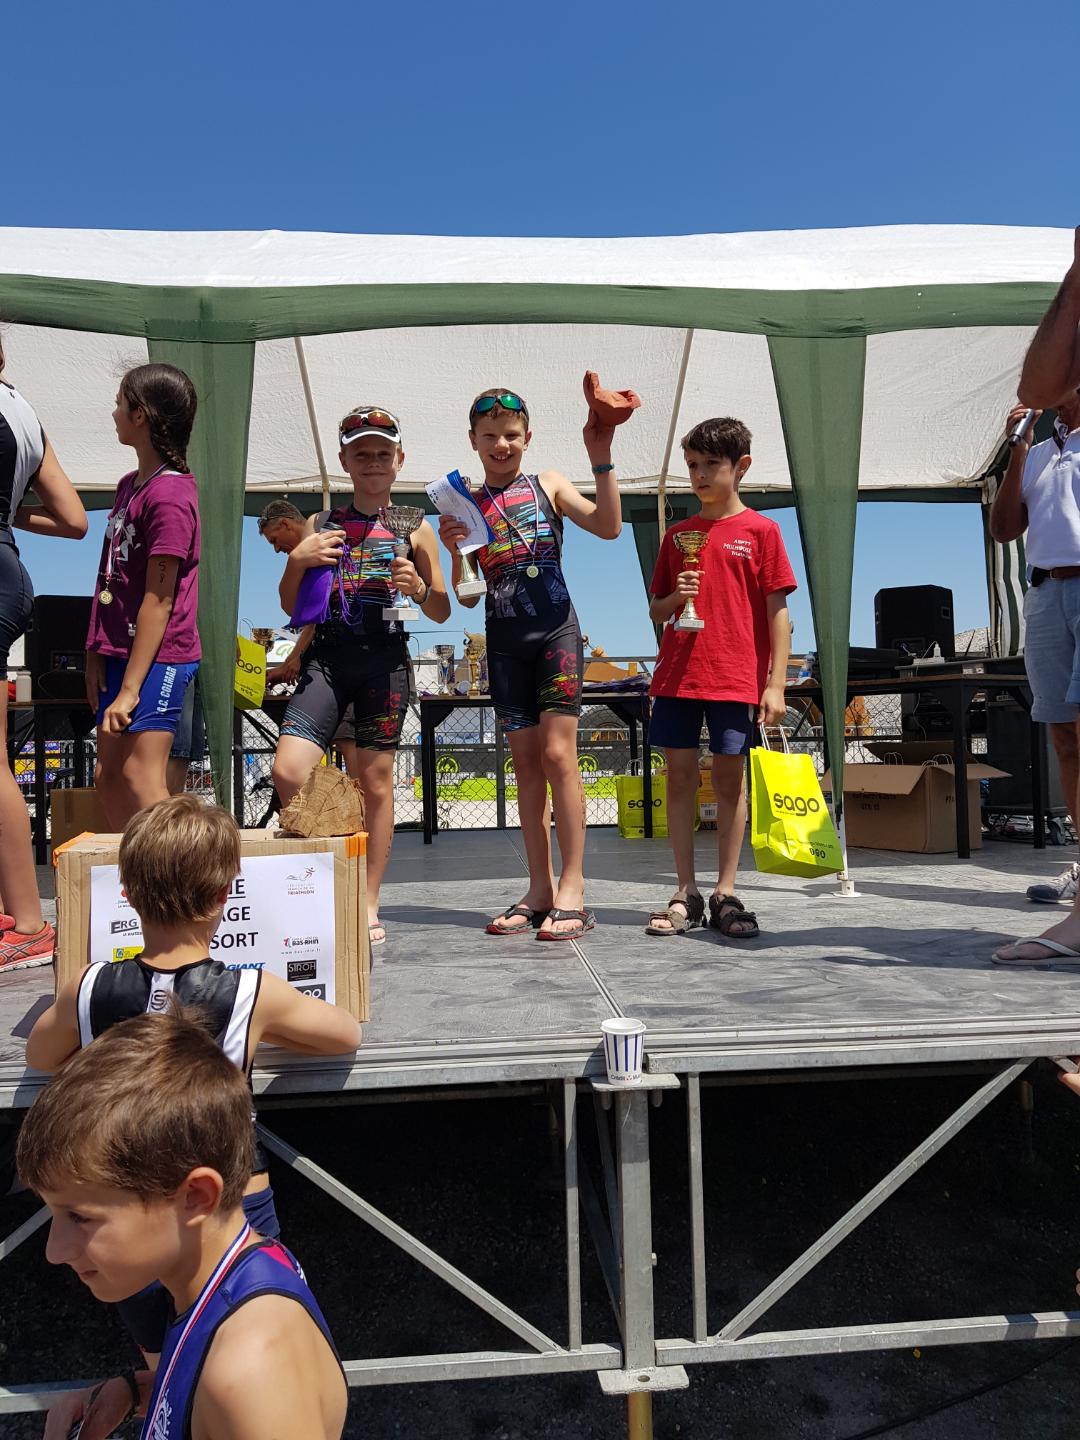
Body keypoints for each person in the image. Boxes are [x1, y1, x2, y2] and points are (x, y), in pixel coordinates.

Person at [26, 794, 361, 1373]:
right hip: (230, 1200)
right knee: (241, 1341)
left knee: (168, 1363)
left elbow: (39, 1054)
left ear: (127, 893)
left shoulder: (90, 986)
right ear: (224, 896)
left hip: (128, 1203)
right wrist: (265, 1031)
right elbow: (344, 1034)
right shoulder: (252, 992)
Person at [18, 1011, 348, 1440]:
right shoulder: (225, 1276)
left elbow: (232, 1396)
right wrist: (134, 1393)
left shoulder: (250, 1376)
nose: (54, 1251)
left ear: (196, 1197)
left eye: (79, 1216)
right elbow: (200, 1397)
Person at [439, 388, 621, 940]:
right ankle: (539, 888)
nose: (501, 444)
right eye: (490, 436)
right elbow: (465, 596)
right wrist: (455, 551)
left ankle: (573, 885)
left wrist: (601, 457)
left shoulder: (550, 483)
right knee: (524, 765)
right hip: (503, 641)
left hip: (555, 632)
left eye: (512, 435)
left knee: (559, 754)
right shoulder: (464, 503)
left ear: (528, 437)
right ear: (473, 441)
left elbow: (609, 526)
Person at [274, 407, 450, 946]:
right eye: (361, 452)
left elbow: (442, 607)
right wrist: (297, 560)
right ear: (344, 460)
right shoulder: (321, 523)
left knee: (375, 785)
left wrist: (418, 588)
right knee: (288, 770)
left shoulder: (417, 527)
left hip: (384, 663)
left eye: (382, 452)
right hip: (327, 660)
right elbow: (291, 606)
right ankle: (333, 875)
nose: (373, 461)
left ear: (399, 460)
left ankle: (367, 900)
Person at [643, 417, 795, 940]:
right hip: (678, 677)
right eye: (692, 465)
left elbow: (778, 612)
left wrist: (775, 683)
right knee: (679, 778)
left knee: (731, 781)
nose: (701, 475)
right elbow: (657, 609)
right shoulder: (676, 536)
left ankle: (726, 891)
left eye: (711, 464)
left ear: (741, 466)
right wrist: (677, 596)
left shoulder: (762, 532)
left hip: (735, 677)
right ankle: (685, 890)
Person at [0, 337, 87, 972]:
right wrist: (10, 514)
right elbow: (75, 519)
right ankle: (22, 918)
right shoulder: (23, 411)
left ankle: (29, 923)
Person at [85, 364, 201, 830]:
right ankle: (132, 871)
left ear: (141, 415)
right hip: (118, 653)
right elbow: (110, 577)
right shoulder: (128, 486)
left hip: (161, 656)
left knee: (141, 777)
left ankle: (182, 875)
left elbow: (159, 599)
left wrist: (131, 688)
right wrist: (95, 651)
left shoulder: (170, 495)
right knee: (108, 776)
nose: (114, 412)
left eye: (120, 402)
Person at [991, 384, 1080, 962]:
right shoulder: (1041, 448)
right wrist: (1018, 450)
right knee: (1064, 738)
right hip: (1046, 594)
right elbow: (1004, 529)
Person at [257, 498, 358, 774]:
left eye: (274, 539)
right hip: (329, 661)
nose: (276, 548)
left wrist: (295, 659)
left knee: (350, 747)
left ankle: (357, 800)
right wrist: (292, 660)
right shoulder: (305, 557)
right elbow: (309, 617)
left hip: (350, 655)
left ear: (286, 524)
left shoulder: (325, 536)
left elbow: (318, 613)